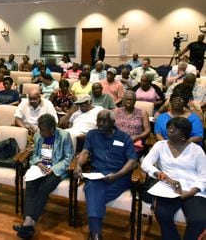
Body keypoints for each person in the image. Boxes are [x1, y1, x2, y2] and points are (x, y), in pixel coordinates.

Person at [73, 110, 138, 239]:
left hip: (119, 177)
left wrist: (118, 175)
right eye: (99, 121)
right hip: (98, 175)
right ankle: (96, 233)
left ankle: (94, 232)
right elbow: (85, 152)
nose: (101, 124)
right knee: (92, 188)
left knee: (93, 194)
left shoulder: (124, 137)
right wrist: (78, 165)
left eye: (104, 121)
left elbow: (133, 161)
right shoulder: (92, 134)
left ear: (113, 122)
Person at [141, 117, 206, 240]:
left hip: (192, 190)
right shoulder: (160, 145)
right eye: (169, 127)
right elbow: (146, 164)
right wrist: (163, 176)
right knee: (162, 214)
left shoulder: (196, 150)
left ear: (184, 133)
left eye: (175, 128)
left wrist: (191, 191)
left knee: (199, 219)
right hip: (168, 188)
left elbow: (204, 175)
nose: (170, 130)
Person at [12, 114, 74, 238]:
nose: (41, 133)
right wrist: (39, 163)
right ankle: (29, 221)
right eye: (40, 129)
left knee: (43, 189)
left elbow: (68, 158)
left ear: (52, 129)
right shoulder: (38, 135)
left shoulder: (64, 136)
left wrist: (54, 169)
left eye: (44, 131)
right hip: (40, 168)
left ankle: (28, 223)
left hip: (56, 170)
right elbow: (34, 154)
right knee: (30, 184)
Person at [114, 91, 151, 155]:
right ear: (123, 100)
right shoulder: (116, 111)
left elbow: (147, 130)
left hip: (134, 142)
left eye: (131, 99)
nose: (129, 101)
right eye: (127, 99)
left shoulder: (143, 113)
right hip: (117, 141)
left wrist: (137, 137)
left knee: (129, 155)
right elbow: (110, 128)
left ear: (135, 101)